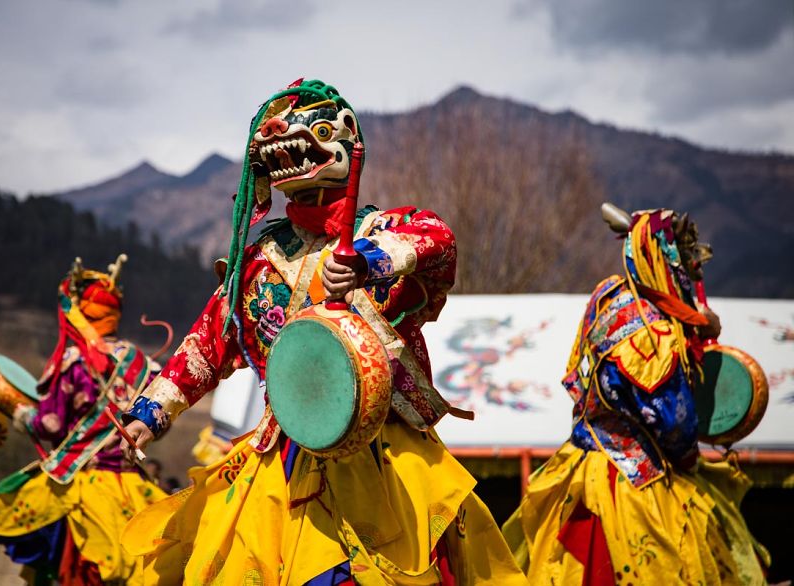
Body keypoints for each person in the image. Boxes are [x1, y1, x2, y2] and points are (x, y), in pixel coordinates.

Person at [120, 79, 528, 585]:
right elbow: (207, 344)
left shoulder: (383, 230)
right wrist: (150, 415)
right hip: (286, 451)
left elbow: (439, 244)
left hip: (386, 450)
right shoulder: (258, 264)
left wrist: (370, 263)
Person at [502, 206, 770, 584]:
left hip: (580, 462)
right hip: (635, 484)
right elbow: (674, 424)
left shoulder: (607, 296)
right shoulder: (655, 334)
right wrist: (691, 459)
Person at [0, 255, 166, 585]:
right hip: (134, 488)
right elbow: (159, 421)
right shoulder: (144, 365)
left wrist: (20, 415)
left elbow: (51, 425)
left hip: (83, 484)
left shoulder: (75, 361)